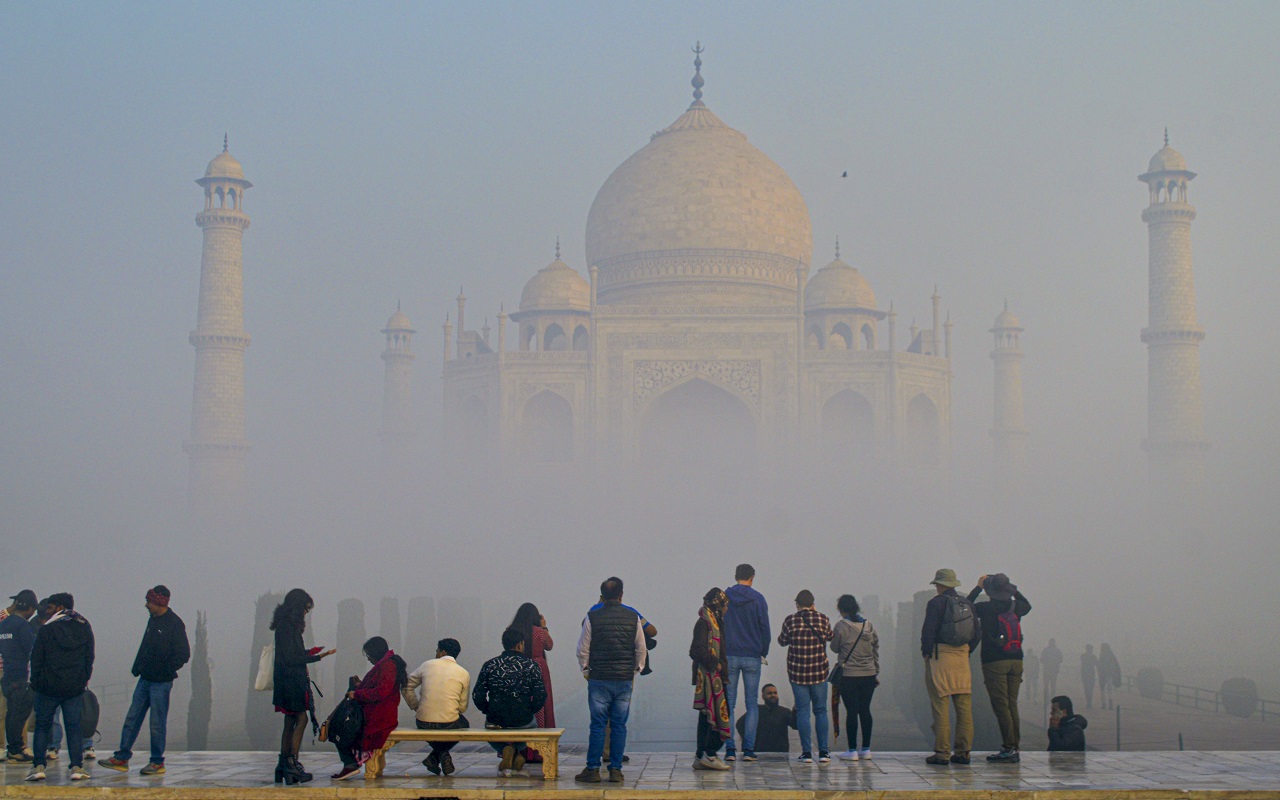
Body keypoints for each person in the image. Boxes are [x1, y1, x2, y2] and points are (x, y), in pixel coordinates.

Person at [98, 586, 191, 776]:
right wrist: (139, 667)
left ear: (159, 602)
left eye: (149, 601)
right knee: (132, 718)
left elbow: (183, 653)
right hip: (145, 679)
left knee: (157, 723)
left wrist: (166, 669)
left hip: (161, 682)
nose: (146, 605)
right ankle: (122, 757)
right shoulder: (153, 620)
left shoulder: (174, 623)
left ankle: (157, 762)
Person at [575, 577, 646, 784]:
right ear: (621, 594)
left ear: (602, 596)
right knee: (619, 725)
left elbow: (582, 649)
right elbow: (640, 647)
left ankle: (593, 769)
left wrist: (586, 670)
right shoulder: (633, 617)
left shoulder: (592, 617)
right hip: (623, 679)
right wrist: (637, 669)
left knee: (597, 725)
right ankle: (616, 769)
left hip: (599, 679)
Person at [26, 593, 94, 783]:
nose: (46, 611)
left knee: (42, 726)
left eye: (49, 607)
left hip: (48, 687)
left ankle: (38, 766)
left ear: (59, 608)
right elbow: (89, 657)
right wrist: (83, 680)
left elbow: (37, 658)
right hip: (74, 688)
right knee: (74, 727)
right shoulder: (83, 626)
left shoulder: (47, 629)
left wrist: (37, 683)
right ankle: (77, 767)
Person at [270, 589, 336, 785]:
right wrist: (317, 657)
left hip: (286, 680)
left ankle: (284, 765)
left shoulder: (284, 626)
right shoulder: (288, 627)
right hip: (291, 681)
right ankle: (292, 763)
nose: (306, 613)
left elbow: (292, 653)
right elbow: (292, 658)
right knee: (301, 718)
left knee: (290, 720)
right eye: (306, 608)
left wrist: (312, 652)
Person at [966, 574, 1031, 764]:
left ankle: (1009, 748)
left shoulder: (986, 608)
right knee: (1011, 704)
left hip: (994, 661)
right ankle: (1014, 747)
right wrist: (1014, 590)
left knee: (1001, 706)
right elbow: (1028, 604)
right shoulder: (1016, 606)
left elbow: (965, 606)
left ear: (990, 591)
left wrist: (978, 587)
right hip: (1016, 659)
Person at [920, 569, 980, 767]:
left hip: (941, 656)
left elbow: (929, 629)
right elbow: (976, 632)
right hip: (962, 657)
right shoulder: (967, 603)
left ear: (940, 585)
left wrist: (926, 652)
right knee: (964, 709)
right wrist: (967, 651)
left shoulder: (936, 603)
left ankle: (942, 753)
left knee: (941, 707)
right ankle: (963, 752)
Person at [330, 636, 408, 780]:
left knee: (339, 727)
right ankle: (350, 763)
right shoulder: (385, 665)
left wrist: (357, 694)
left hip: (379, 717)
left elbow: (381, 692)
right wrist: (361, 685)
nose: (368, 659)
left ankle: (350, 763)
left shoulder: (387, 666)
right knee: (340, 726)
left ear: (375, 653)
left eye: (368, 655)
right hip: (377, 713)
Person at [472, 627, 546, 776]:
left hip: (496, 719)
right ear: (520, 645)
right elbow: (541, 695)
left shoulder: (490, 665)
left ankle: (504, 749)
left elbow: (477, 694)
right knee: (531, 726)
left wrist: (488, 709)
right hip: (523, 719)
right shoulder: (531, 666)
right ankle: (517, 750)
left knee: (489, 729)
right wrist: (529, 710)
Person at [777, 589, 833, 764]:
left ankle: (807, 752)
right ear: (813, 603)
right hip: (819, 673)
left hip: (798, 674)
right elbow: (830, 637)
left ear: (797, 604)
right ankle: (823, 752)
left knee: (803, 712)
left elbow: (781, 641)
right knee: (821, 711)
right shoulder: (823, 619)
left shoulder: (790, 620)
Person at [721, 563, 770, 762]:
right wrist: (762, 651)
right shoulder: (758, 599)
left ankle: (730, 749)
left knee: (729, 704)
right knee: (752, 704)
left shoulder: (725, 597)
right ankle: (749, 749)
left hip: (730, 654)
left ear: (735, 576)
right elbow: (764, 628)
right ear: (752, 577)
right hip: (752, 655)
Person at [402, 638, 470, 776]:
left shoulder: (427, 665)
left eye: (437, 650)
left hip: (423, 721)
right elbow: (462, 708)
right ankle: (438, 755)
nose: (436, 653)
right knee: (464, 723)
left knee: (430, 724)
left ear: (442, 652)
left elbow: (406, 686)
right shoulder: (463, 673)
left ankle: (436, 756)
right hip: (449, 724)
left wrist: (416, 705)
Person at [830, 594, 878, 761]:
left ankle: (852, 750)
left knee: (852, 711)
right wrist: (875, 670)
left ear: (841, 609)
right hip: (869, 674)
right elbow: (875, 648)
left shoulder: (841, 626)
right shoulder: (868, 625)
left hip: (849, 675)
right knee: (865, 710)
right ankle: (866, 748)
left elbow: (835, 648)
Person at [689, 588, 730, 770]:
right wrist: (716, 664)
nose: (727, 608)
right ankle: (710, 753)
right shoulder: (705, 623)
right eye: (725, 605)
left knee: (706, 718)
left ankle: (701, 755)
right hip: (710, 677)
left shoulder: (715, 622)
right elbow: (696, 650)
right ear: (718, 605)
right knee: (719, 713)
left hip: (715, 677)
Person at [511, 603, 553, 763]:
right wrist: (544, 627)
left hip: (517, 667)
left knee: (519, 704)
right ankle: (537, 750)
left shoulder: (512, 631)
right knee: (539, 706)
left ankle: (518, 749)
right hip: (539, 667)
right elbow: (549, 646)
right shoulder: (539, 632)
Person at [0, 591, 37, 764]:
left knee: (10, 713)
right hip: (19, 674)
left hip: (6, 674)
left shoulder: (4, 624)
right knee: (18, 713)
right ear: (30, 608)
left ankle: (13, 748)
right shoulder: (23, 626)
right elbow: (32, 649)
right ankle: (15, 749)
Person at [737, 684, 797, 753]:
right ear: (763, 696)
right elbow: (739, 725)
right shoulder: (756, 711)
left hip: (780, 754)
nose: (773, 695)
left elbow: (795, 725)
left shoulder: (785, 712)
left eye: (775, 693)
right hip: (758, 754)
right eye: (769, 693)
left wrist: (795, 711)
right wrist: (749, 740)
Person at [1097, 644, 1121, 710]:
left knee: (1103, 690)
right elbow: (1116, 666)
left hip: (1103, 676)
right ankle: (1110, 704)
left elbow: (1100, 666)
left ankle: (1104, 704)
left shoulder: (1101, 656)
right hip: (1109, 675)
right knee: (1109, 690)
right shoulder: (1111, 656)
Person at [1080, 645, 1097, 709]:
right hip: (1087, 675)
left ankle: (1089, 702)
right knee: (1087, 689)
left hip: (1089, 675)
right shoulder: (1091, 657)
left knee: (1089, 689)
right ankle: (1089, 702)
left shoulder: (1084, 656)